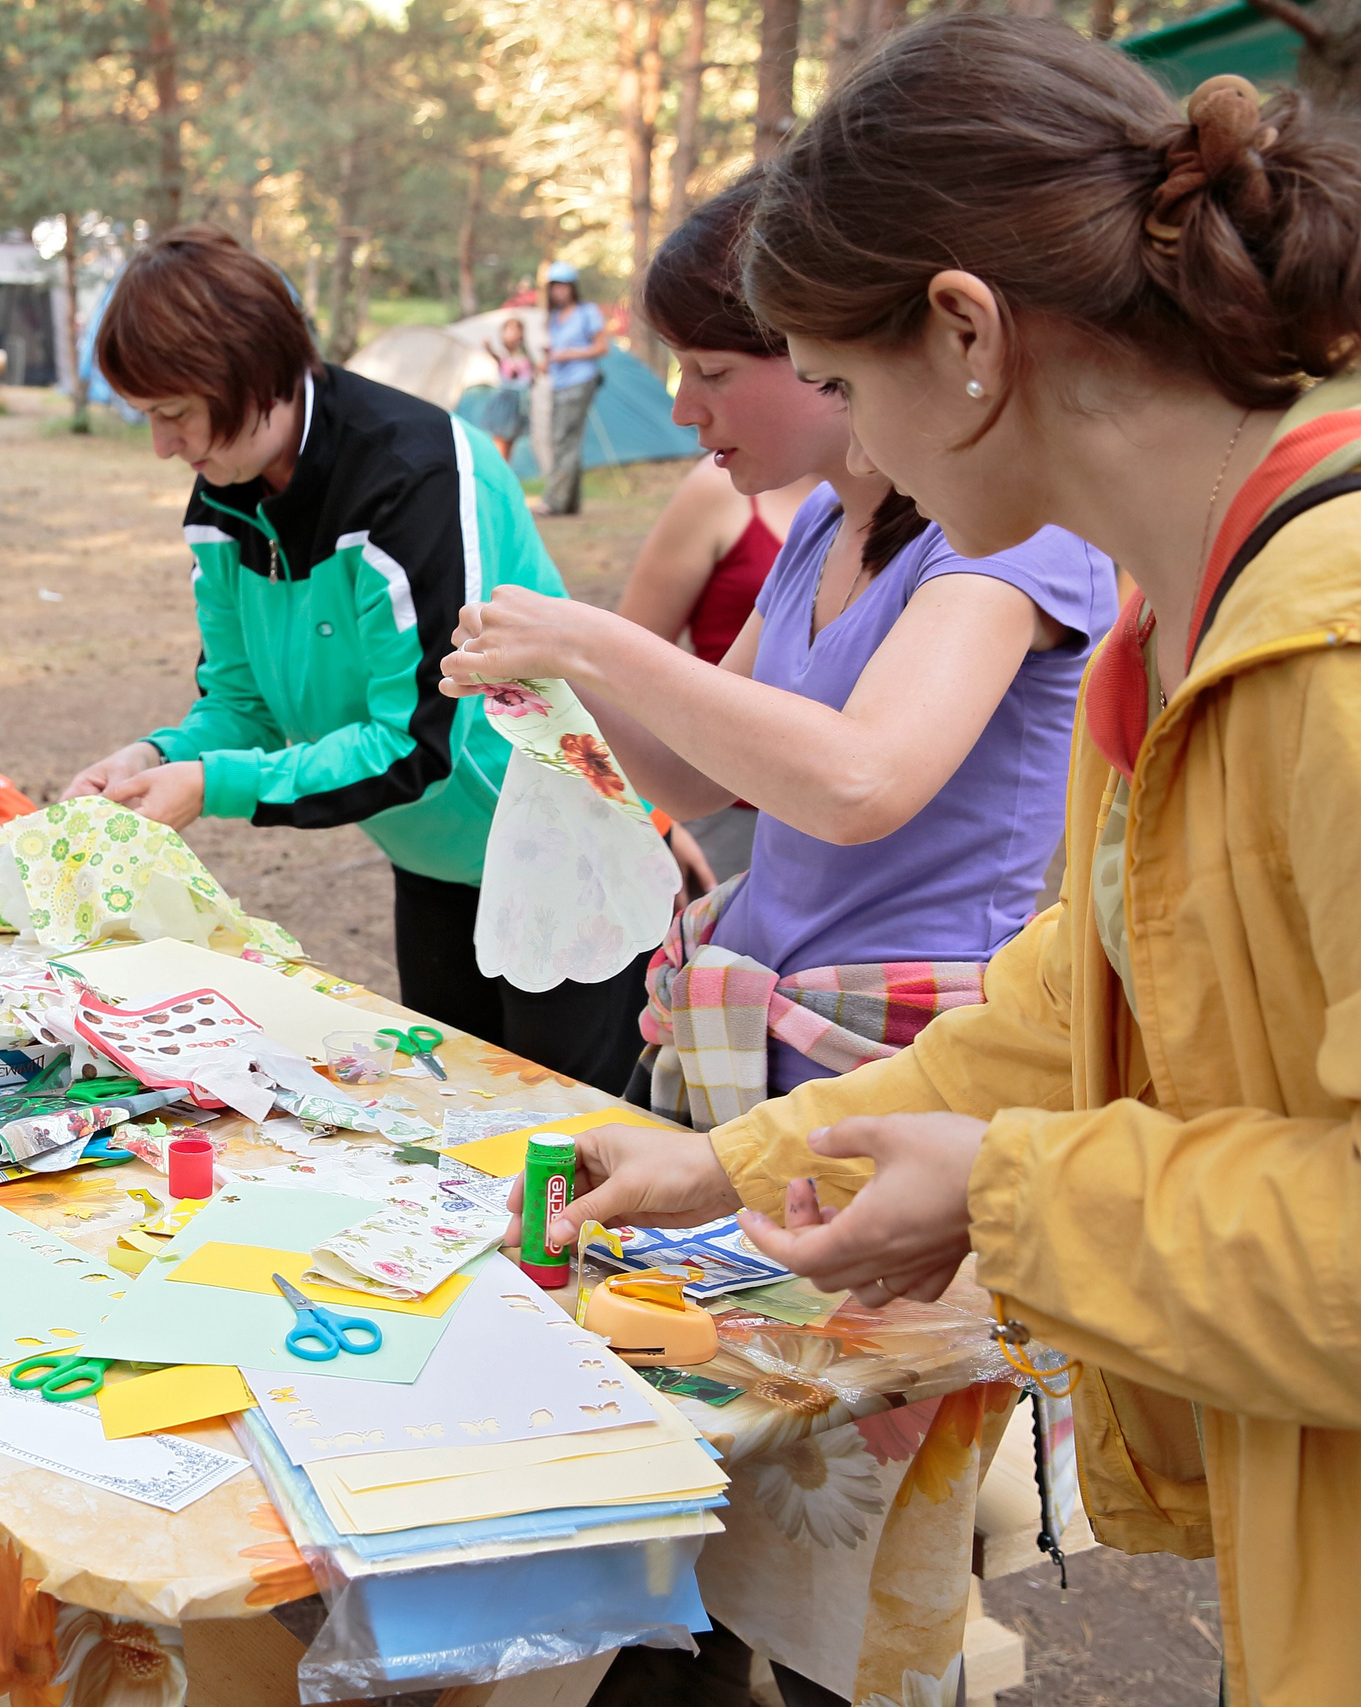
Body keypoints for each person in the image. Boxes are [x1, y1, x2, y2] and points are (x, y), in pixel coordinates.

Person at [532, 26, 1361, 1705]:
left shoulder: (1326, 649)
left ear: (967, 335)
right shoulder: (1177, 605)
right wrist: (736, 1166)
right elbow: (1080, 989)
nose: (844, 452)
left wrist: (1010, 1193)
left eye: (839, 388)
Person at [445, 174, 1115, 1132]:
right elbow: (703, 773)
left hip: (907, 1062)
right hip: (759, 1037)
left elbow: (859, 782)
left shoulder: (1009, 533)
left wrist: (594, 640)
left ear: (825, 355)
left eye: (712, 373)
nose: (683, 409)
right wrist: (556, 679)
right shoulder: (822, 521)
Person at [61, 225, 652, 1095]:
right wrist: (159, 757)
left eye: (173, 413)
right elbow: (243, 702)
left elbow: (416, 743)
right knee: (453, 1116)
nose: (162, 446)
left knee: (558, 1144)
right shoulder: (225, 495)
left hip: (559, 850)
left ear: (252, 376)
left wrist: (214, 785)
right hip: (431, 857)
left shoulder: (412, 479)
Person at [614, 454, 815, 886]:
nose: (685, 414)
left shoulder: (920, 501)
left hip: (854, 818)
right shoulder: (718, 487)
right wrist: (658, 817)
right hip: (725, 815)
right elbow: (624, 668)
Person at [540, 262, 611, 515]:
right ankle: (570, 503)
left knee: (562, 439)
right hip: (559, 382)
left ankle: (554, 502)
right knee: (567, 441)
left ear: (572, 287)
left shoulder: (586, 312)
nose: (559, 292)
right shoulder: (554, 317)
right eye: (554, 287)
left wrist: (570, 354)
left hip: (580, 380)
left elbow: (602, 347)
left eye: (563, 286)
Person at [478, 315, 534, 463]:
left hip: (521, 402)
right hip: (506, 401)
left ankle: (504, 472)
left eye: (516, 329)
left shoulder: (525, 355)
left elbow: (535, 375)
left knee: (510, 444)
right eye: (509, 329)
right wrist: (488, 347)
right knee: (501, 442)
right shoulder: (503, 354)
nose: (513, 333)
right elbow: (496, 358)